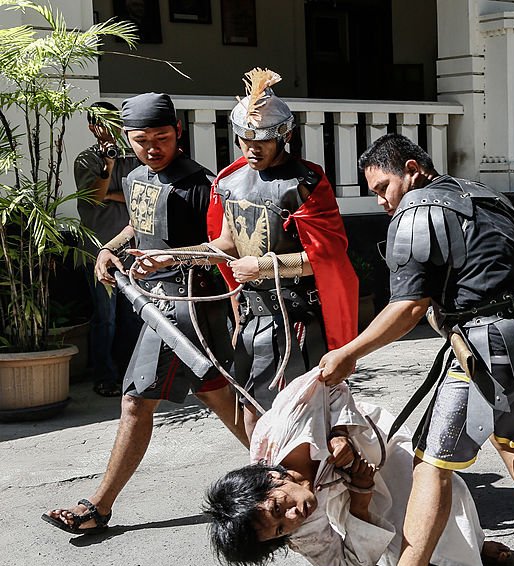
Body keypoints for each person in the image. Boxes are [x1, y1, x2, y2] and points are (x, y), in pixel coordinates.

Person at [318, 133, 514, 566]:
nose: (382, 200)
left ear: (412, 169)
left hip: (485, 348)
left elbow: (408, 307)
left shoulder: (416, 211)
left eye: (383, 186)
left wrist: (349, 353)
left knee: (430, 465)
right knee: (510, 436)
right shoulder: (480, 195)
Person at [42, 93, 247, 534]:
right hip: (153, 304)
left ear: (178, 133)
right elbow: (139, 223)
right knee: (221, 398)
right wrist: (108, 249)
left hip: (188, 308)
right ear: (127, 139)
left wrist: (173, 260)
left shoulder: (201, 184)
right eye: (141, 139)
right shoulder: (134, 178)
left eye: (162, 137)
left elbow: (225, 248)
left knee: (135, 400)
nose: (152, 147)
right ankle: (299, 474)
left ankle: (98, 506)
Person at [132, 68, 359, 434]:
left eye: (263, 141)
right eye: (245, 140)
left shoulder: (306, 183)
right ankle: (276, 488)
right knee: (253, 415)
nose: (252, 149)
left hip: (299, 316)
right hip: (255, 316)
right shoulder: (229, 180)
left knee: (309, 420)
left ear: (284, 136)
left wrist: (265, 266)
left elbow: (327, 257)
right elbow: (224, 245)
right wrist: (172, 256)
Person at [204, 368, 510, 566]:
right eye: (281, 529)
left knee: (443, 491)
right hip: (351, 496)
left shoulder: (284, 423)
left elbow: (331, 382)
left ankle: (472, 547)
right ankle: (423, 562)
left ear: (272, 479)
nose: (295, 517)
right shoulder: (300, 532)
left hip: (375, 446)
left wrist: (340, 432)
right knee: (394, 527)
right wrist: (361, 503)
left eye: (278, 509)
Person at [74, 101, 143, 397]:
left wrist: (113, 195)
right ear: (93, 127)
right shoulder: (85, 159)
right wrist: (109, 166)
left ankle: (130, 373)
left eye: (113, 122)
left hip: (128, 248)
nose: (109, 128)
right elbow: (93, 197)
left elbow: (137, 198)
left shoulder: (133, 158)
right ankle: (104, 377)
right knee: (106, 317)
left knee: (131, 315)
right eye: (102, 123)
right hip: (96, 248)